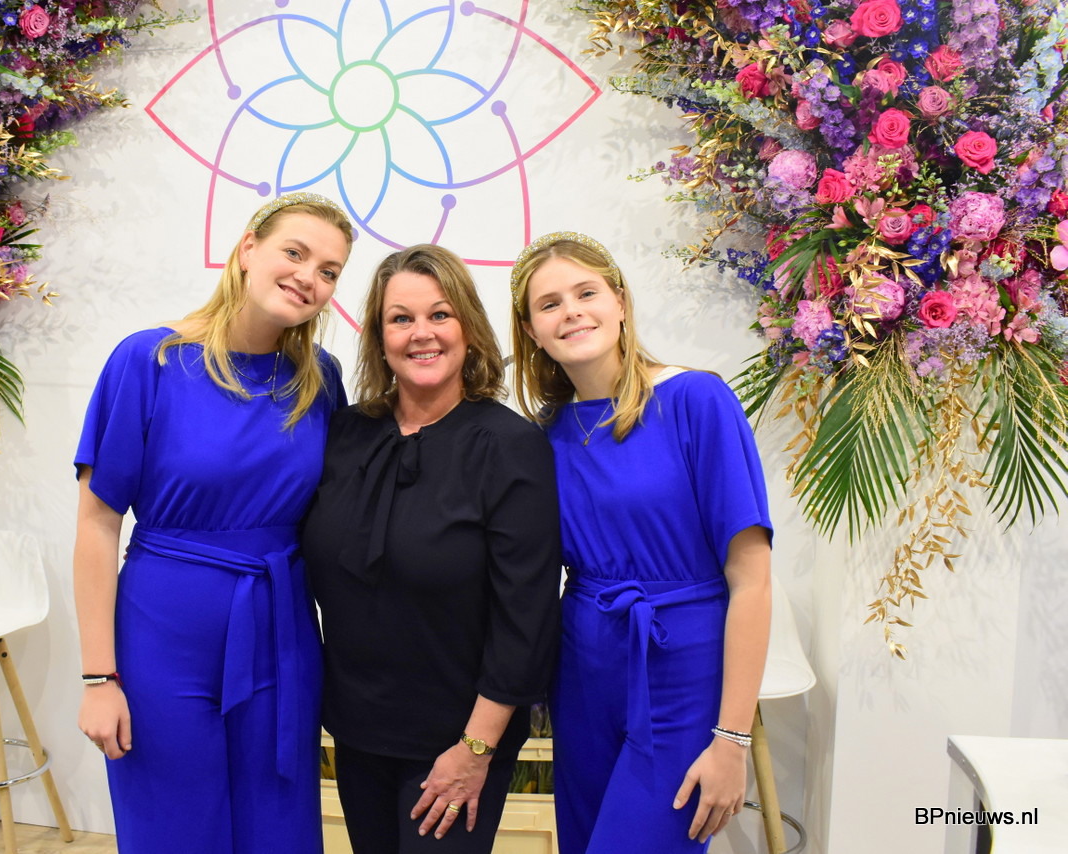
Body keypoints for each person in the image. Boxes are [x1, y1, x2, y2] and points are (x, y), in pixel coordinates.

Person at [72, 192, 354, 854]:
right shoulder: (150, 360)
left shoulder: (321, 379)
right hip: (162, 636)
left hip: (282, 633)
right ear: (248, 247)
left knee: (278, 829)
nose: (308, 277)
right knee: (174, 828)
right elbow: (96, 524)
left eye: (329, 271)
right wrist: (98, 678)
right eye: (294, 253)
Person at [509, 232, 773, 853]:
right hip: (582, 670)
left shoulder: (696, 400)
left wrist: (732, 740)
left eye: (586, 293)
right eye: (549, 304)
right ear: (531, 331)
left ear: (620, 303)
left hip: (683, 665)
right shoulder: (543, 435)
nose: (571, 312)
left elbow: (753, 581)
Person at [300, 243, 561, 854]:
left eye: (440, 315)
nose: (422, 333)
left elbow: (526, 616)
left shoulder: (510, 445)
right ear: (378, 336)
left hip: (458, 739)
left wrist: (475, 748)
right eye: (401, 318)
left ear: (468, 327)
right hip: (358, 729)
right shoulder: (345, 432)